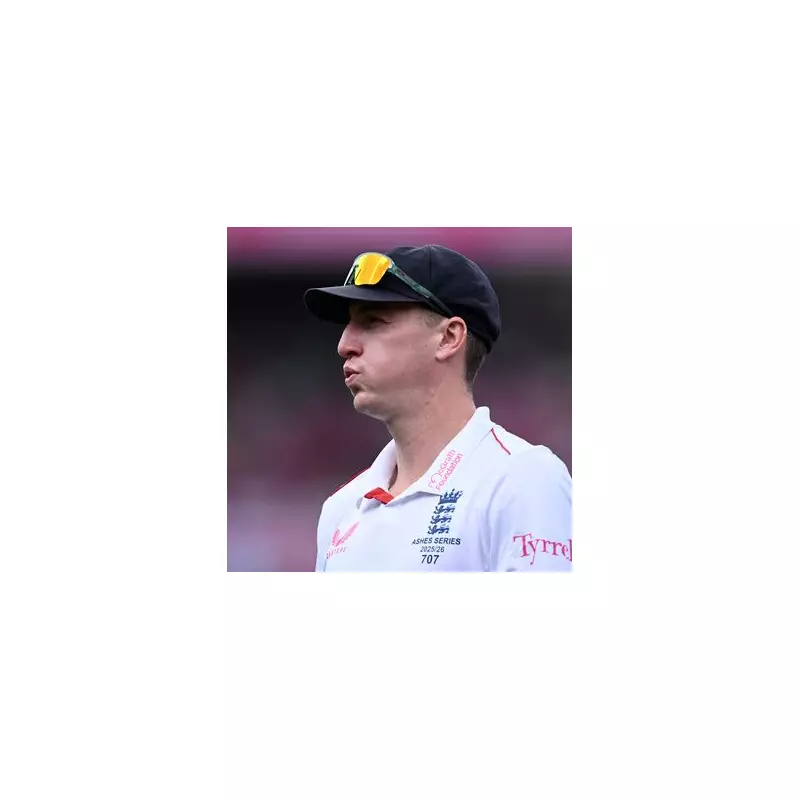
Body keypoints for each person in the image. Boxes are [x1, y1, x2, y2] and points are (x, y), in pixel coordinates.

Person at [303, 245, 572, 572]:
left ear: (448, 338)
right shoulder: (340, 510)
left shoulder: (524, 479)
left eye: (373, 322)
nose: (344, 345)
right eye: (348, 324)